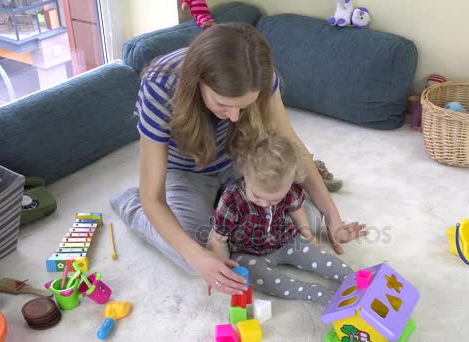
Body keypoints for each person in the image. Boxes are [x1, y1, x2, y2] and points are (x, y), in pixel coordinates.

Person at [110, 22, 367, 296]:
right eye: (223, 104)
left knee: (304, 218)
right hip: (186, 172)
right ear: (199, 81)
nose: (234, 116)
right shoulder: (159, 86)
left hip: (243, 160)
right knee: (198, 254)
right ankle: (131, 207)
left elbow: (292, 145)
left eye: (243, 106)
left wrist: (332, 216)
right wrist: (198, 257)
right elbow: (154, 198)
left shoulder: (261, 76)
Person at [208, 134, 353, 304]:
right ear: (245, 173)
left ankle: (353, 278)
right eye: (257, 196)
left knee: (318, 257)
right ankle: (313, 292)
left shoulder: (289, 188)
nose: (264, 204)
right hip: (247, 251)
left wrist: (307, 234)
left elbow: (296, 209)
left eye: (274, 200)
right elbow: (218, 238)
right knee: (256, 276)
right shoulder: (231, 199)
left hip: (285, 240)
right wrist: (216, 266)